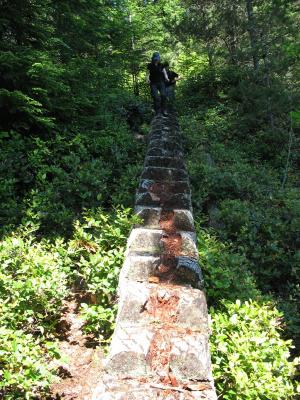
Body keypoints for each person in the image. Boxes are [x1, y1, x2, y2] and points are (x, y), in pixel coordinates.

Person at [147, 52, 169, 117]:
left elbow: (164, 73)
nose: (156, 60)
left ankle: (164, 110)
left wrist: (166, 78)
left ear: (159, 58)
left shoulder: (161, 65)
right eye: (155, 58)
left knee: (163, 95)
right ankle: (157, 111)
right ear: (153, 58)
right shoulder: (150, 65)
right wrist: (147, 79)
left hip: (161, 82)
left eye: (157, 58)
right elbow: (147, 74)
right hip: (153, 83)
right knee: (156, 97)